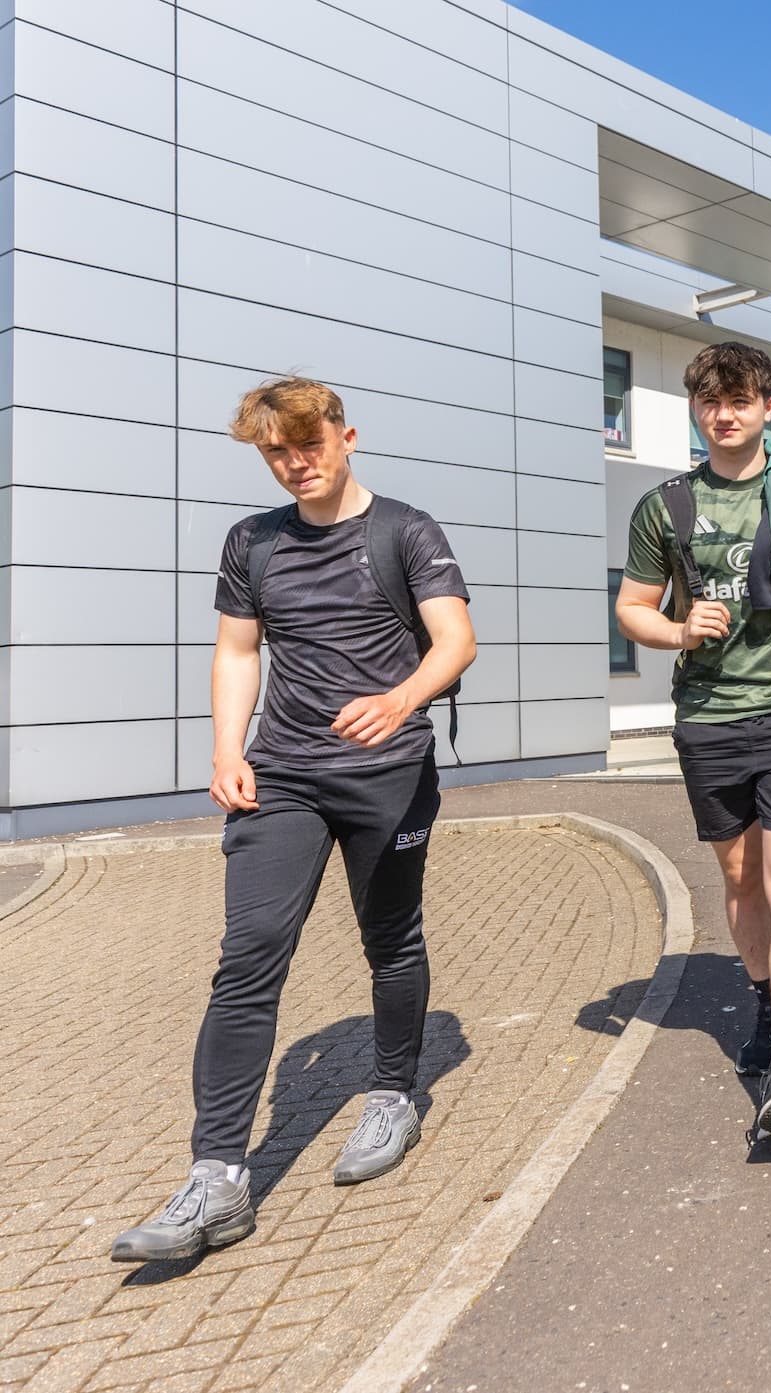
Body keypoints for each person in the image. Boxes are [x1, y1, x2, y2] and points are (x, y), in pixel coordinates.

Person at [112, 377, 477, 1261]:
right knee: (247, 958)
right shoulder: (254, 543)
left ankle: (393, 1092)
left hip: (388, 773)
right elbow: (238, 650)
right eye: (276, 452)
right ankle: (216, 1179)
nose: (294, 464)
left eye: (308, 445)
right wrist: (226, 752)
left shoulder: (405, 530)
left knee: (389, 939)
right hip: (283, 776)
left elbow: (455, 640)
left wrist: (400, 700)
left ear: (347, 436)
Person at [615, 342, 771, 1144]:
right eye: (709, 402)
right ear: (698, 411)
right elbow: (632, 608)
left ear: (766, 407)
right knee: (742, 878)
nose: (723, 414)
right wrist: (680, 629)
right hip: (711, 714)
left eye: (739, 400)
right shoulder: (667, 507)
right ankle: (764, 996)